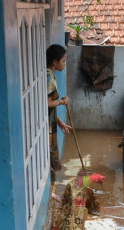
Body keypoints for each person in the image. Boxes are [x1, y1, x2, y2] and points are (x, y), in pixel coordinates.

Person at [47, 44, 72, 179]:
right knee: (51, 158)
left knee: (53, 158)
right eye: (63, 61)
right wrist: (63, 102)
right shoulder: (49, 78)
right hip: (47, 126)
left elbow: (50, 107)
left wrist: (60, 122)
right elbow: (47, 103)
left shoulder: (51, 76)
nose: (65, 64)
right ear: (55, 62)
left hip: (52, 122)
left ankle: (54, 183)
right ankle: (52, 188)